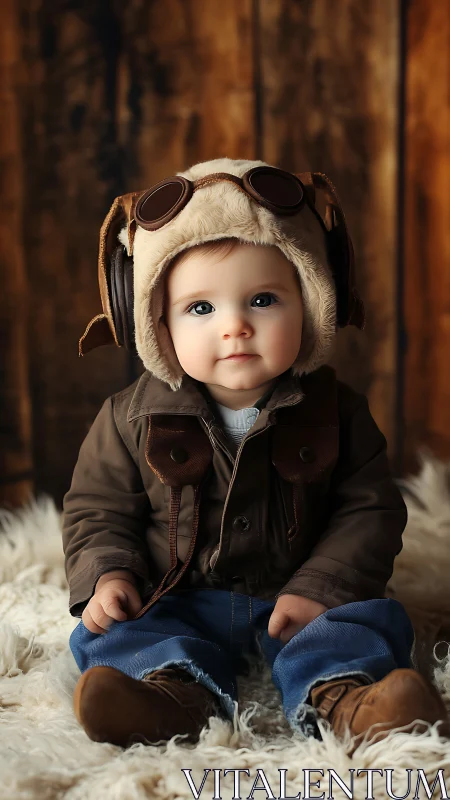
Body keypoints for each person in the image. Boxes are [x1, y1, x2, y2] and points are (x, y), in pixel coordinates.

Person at [62, 158, 449, 752]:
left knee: (362, 622)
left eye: (263, 300)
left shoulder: (339, 411)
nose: (235, 326)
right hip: (177, 594)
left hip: (297, 594)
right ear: (155, 324)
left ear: (315, 303)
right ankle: (168, 697)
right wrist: (109, 574)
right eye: (200, 308)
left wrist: (321, 587)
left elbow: (368, 511)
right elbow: (96, 508)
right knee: (117, 631)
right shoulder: (126, 417)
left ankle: (349, 701)